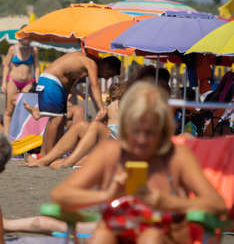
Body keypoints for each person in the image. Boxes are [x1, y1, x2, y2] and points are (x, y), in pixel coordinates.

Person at [51, 82, 227, 243]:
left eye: (150, 133)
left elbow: (217, 204)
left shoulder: (176, 156)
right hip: (117, 230)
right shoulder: (110, 152)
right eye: (135, 131)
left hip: (163, 234)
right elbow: (61, 194)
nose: (141, 140)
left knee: (150, 237)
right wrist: (106, 195)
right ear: (125, 127)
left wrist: (167, 202)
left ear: (163, 131)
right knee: (101, 236)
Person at [24, 52, 121, 156]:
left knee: (60, 120)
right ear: (107, 66)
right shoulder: (92, 63)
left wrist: (64, 99)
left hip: (55, 83)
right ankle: (47, 155)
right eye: (109, 75)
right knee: (56, 119)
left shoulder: (84, 65)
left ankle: (45, 154)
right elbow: (94, 86)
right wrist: (102, 109)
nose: (106, 79)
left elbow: (71, 81)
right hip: (51, 80)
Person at [26, 82, 126, 168]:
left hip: (118, 143)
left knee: (94, 127)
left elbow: (99, 123)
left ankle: (60, 161)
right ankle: (46, 160)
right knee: (80, 125)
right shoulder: (121, 104)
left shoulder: (112, 106)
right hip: (110, 139)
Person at [1, 33, 40, 134]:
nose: (27, 39)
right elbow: (6, 65)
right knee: (9, 110)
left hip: (28, 82)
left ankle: (20, 133)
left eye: (28, 36)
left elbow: (36, 67)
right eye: (25, 36)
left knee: (25, 108)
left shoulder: (34, 49)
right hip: (13, 81)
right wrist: (3, 83)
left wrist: (38, 81)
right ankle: (6, 135)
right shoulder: (12, 49)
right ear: (20, 37)